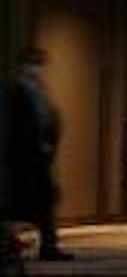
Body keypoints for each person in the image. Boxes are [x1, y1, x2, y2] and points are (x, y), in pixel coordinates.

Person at [5, 44, 61, 261]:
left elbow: (48, 120)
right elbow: (19, 125)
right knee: (22, 203)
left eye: (40, 64)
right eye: (34, 63)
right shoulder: (16, 91)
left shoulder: (40, 90)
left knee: (44, 200)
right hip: (23, 157)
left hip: (40, 156)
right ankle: (18, 244)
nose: (38, 69)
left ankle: (48, 246)